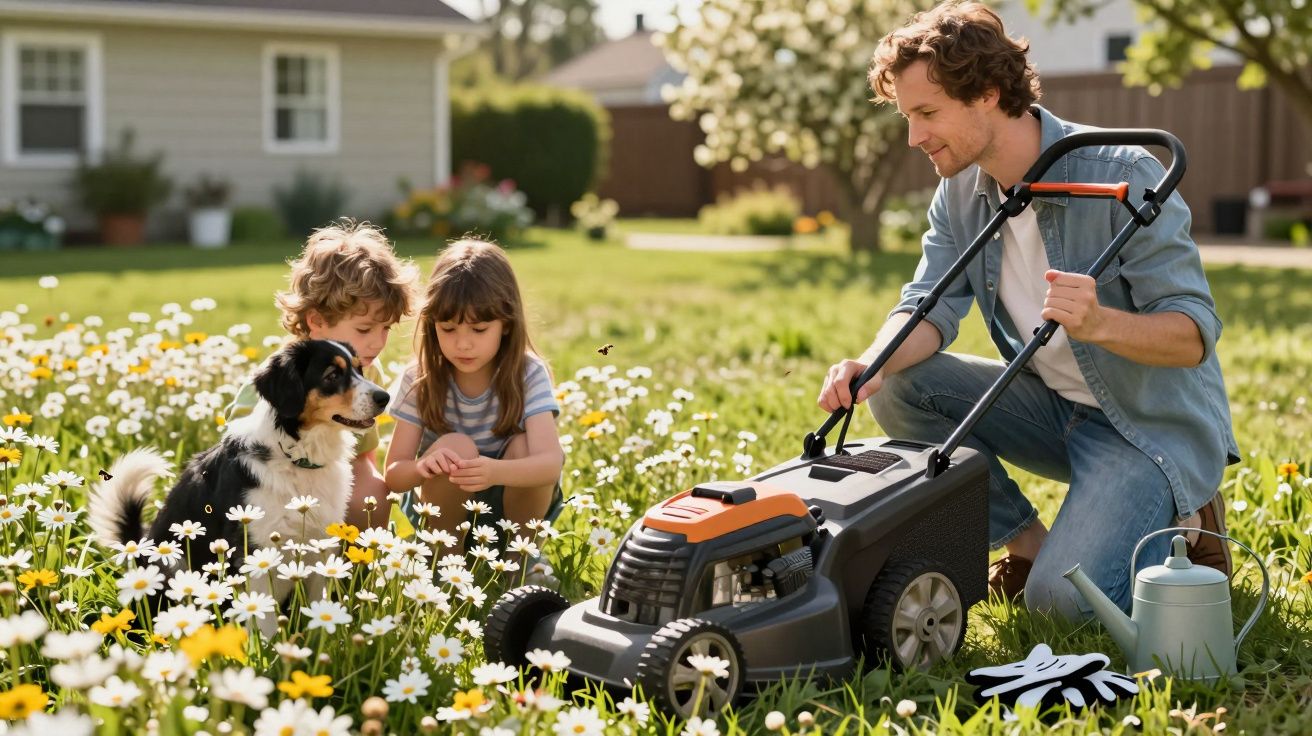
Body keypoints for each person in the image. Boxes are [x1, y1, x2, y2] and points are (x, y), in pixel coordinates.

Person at [817, 1, 1238, 619]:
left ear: (988, 93)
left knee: (1060, 607)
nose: (915, 137)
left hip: (1147, 432)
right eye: (908, 117)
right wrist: (873, 363)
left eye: (927, 113)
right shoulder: (959, 188)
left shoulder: (1124, 174)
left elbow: (1194, 334)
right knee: (901, 384)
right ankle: (1027, 543)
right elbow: (927, 305)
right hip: (1055, 412)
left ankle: (1192, 522)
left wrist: (1100, 324)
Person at [226, 220, 419, 530]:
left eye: (386, 328)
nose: (378, 342)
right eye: (365, 329)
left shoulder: (369, 372)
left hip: (332, 473)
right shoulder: (284, 375)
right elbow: (237, 454)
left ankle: (355, 570)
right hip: (273, 482)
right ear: (316, 320)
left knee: (372, 494)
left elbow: (363, 458)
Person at [383, 239, 564, 548]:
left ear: (506, 324)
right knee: (455, 446)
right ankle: (443, 561)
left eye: (479, 330)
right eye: (448, 329)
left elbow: (550, 462)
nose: (463, 344)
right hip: (443, 511)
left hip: (513, 505)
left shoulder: (528, 374)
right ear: (432, 324)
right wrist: (422, 467)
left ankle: (518, 562)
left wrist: (494, 471)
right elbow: (394, 474)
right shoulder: (421, 378)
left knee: (524, 447)